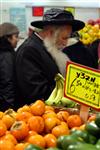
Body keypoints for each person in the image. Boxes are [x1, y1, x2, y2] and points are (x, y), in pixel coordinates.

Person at [15, 8, 85, 107]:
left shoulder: (47, 47)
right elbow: (36, 92)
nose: (65, 43)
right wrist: (71, 93)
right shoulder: (29, 51)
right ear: (50, 33)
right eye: (64, 38)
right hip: (34, 116)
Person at [0, 22, 19, 111]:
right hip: (6, 105)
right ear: (8, 38)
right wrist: (10, 108)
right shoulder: (6, 55)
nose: (17, 40)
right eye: (16, 36)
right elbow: (8, 82)